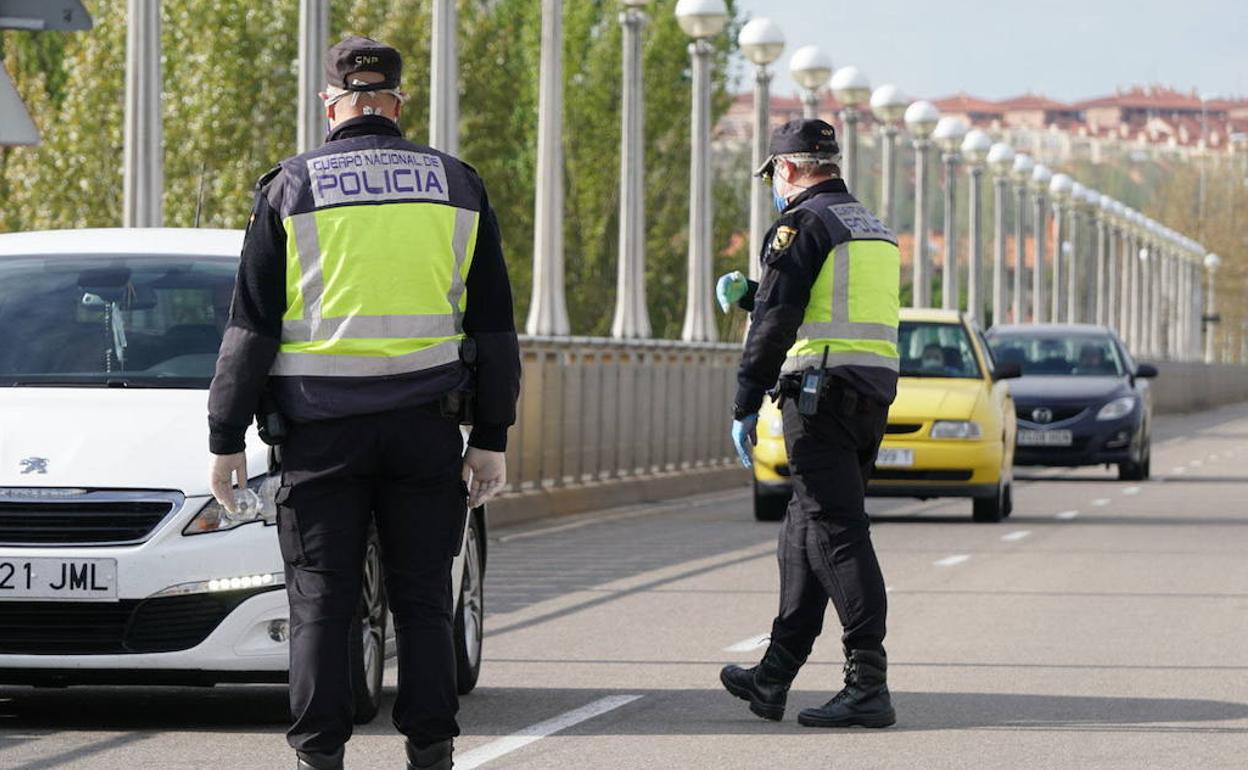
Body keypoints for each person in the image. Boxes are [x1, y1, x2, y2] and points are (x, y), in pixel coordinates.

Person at [207, 35, 521, 770]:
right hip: (426, 432)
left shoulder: (289, 187)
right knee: (421, 602)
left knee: (323, 601)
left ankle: (319, 756)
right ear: (398, 104)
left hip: (320, 437)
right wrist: (493, 435)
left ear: (330, 104)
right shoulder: (458, 184)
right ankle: (431, 751)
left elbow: (250, 330)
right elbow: (495, 326)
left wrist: (225, 435)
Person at [714, 119, 900, 729]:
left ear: (787, 169)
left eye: (773, 176)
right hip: (866, 396)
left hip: (819, 395)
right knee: (804, 531)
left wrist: (745, 400)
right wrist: (754, 293)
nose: (774, 187)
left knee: (837, 532)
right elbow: (825, 303)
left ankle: (868, 682)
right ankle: (774, 675)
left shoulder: (802, 223)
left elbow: (780, 319)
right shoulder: (869, 226)